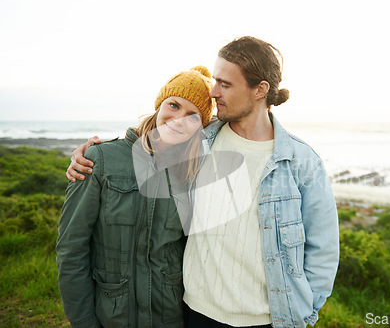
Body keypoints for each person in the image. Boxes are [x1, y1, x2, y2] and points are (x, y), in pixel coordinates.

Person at [67, 36, 340, 328]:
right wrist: (91, 154)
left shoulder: (302, 162)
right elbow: (148, 142)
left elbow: (323, 251)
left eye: (225, 84)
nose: (213, 91)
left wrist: (305, 315)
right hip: (194, 313)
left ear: (260, 90)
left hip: (267, 320)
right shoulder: (199, 143)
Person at [57, 66, 215, 328]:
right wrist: (84, 322)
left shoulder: (192, 174)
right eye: (173, 105)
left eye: (193, 116)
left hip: (170, 318)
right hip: (111, 317)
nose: (178, 119)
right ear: (159, 104)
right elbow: (71, 250)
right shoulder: (100, 160)